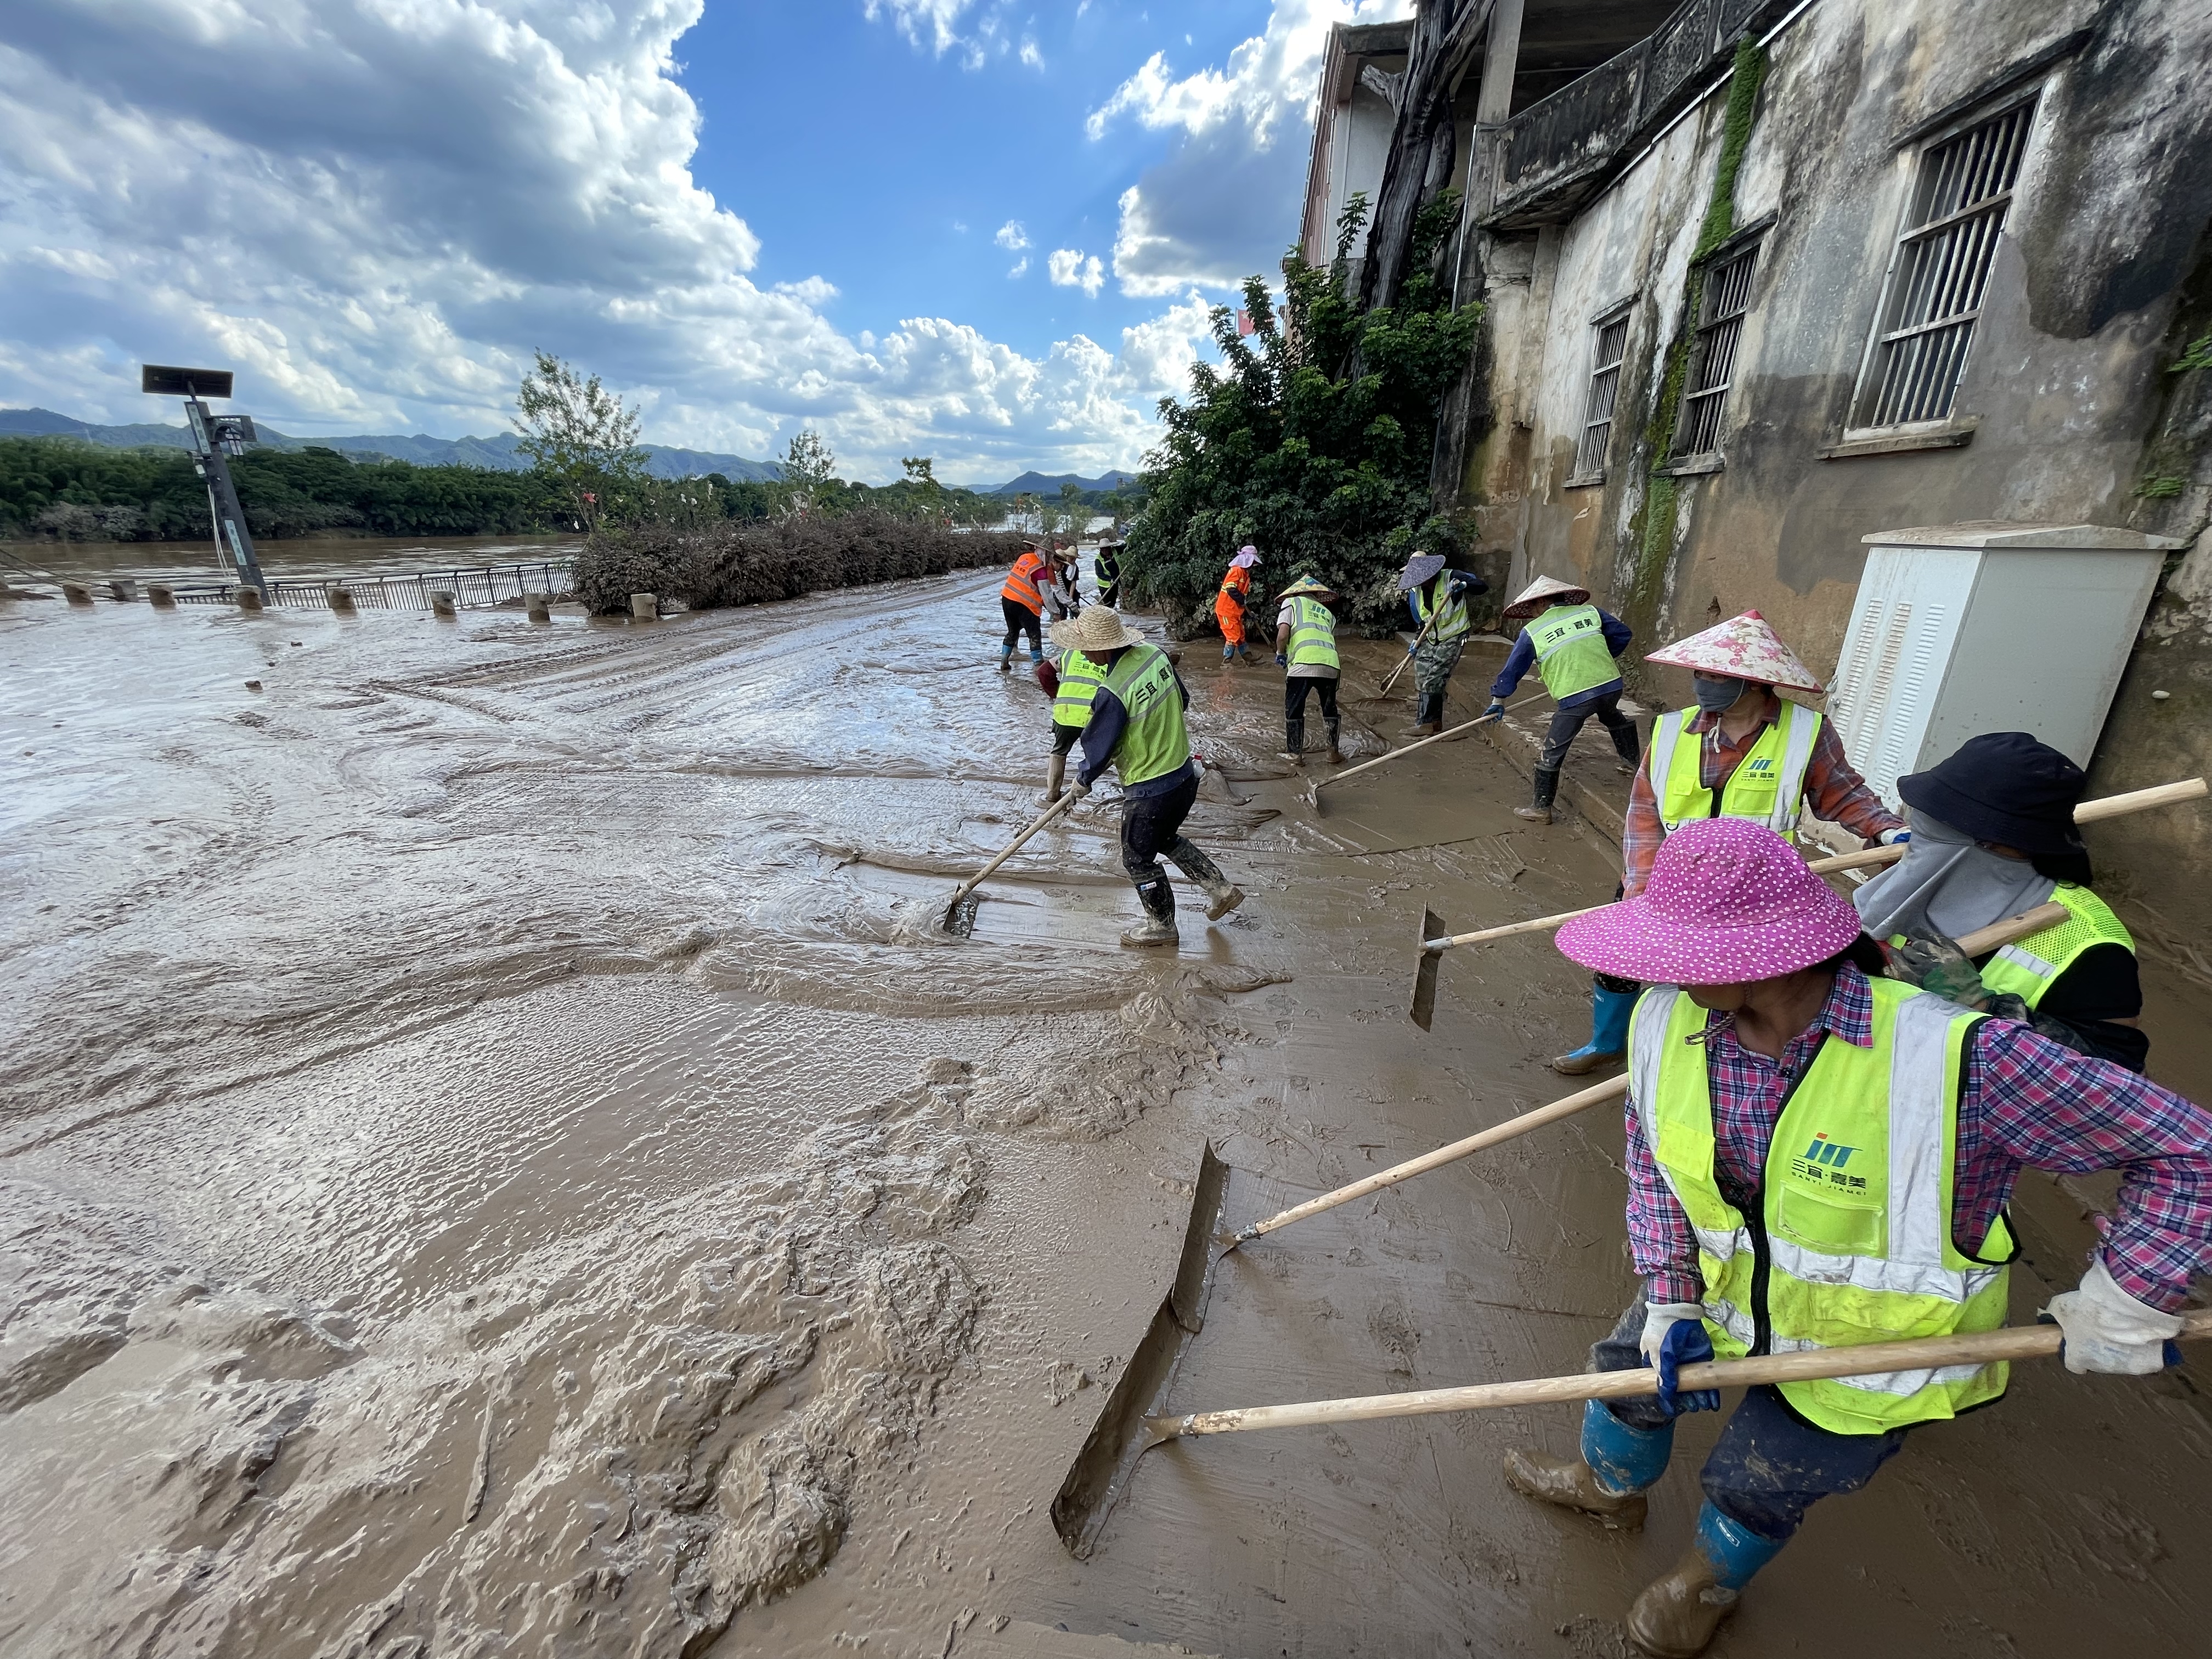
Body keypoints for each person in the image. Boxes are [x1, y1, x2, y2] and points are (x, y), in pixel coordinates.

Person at [1503, 816, 2212, 1658]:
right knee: (1626, 1375)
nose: (1660, 970)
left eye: (1682, 951)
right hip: (1720, 1294)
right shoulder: (1668, 1021)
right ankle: (1607, 1487)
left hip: (1873, 1347)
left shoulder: (1965, 1060)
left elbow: (2185, 1148)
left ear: (1770, 957)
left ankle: (1707, 1582)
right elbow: (1656, 1161)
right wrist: (1668, 1291)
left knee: (1760, 1480)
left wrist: (2128, 1295)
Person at [1553, 608, 1905, 1077]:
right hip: (1672, 881)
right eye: (1699, 673)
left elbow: (1843, 794)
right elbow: (1644, 812)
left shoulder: (1806, 734)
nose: (1703, 684)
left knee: (1734, 982)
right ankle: (1609, 1042)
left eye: (1715, 675)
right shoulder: (1673, 730)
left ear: (1756, 681)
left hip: (1753, 893)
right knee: (1623, 963)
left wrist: (1886, 829)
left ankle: (1718, 1061)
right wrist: (1641, 884)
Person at [1855, 731, 2145, 1071]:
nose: (1921, 847)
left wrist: (1983, 1007)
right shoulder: (1914, 893)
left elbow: (2119, 1077)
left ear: (2002, 844)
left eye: (1938, 833)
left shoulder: (2092, 947)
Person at [1056, 606, 1246, 946]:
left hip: (1150, 788)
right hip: (1185, 775)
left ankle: (1161, 927)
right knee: (1164, 838)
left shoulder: (1112, 691)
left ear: (1103, 646)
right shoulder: (1155, 657)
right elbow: (1182, 700)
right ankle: (1221, 889)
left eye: (1084, 645)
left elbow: (1099, 749)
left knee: (1137, 858)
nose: (1081, 652)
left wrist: (1081, 782)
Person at [1486, 576, 1638, 822]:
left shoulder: (1533, 632)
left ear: (1543, 601)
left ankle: (1540, 808)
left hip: (1575, 696)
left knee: (1553, 750)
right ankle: (1632, 763)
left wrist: (1498, 700)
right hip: (1611, 685)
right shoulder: (1590, 613)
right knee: (1610, 713)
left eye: (1533, 607)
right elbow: (1623, 634)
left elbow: (1513, 669)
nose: (1532, 613)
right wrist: (1599, 660)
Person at [1397, 552, 1488, 737]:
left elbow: (1481, 587)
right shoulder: (1418, 592)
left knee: (1435, 678)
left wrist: (1463, 585)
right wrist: (1416, 642)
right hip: (1431, 638)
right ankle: (1431, 722)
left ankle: (1427, 724)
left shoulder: (1451, 577)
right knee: (1422, 677)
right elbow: (1423, 621)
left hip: (1453, 636)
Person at [1272, 574, 1344, 768]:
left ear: (1298, 591)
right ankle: (1333, 753)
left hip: (1303, 664)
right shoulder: (1327, 613)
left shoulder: (1292, 602)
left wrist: (1281, 653)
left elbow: (1283, 634)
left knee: (1294, 709)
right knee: (1330, 709)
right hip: (1331, 664)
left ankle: (1295, 753)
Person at [1043, 636, 1104, 804]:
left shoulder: (1068, 654)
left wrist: (1057, 696)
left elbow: (1044, 672)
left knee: (1059, 751)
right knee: (1104, 753)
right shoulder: (1109, 656)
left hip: (1066, 713)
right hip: (1094, 715)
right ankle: (1081, 788)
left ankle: (1052, 794)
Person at [998, 537, 1050, 672]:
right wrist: (1055, 612)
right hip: (1025, 605)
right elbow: (1047, 595)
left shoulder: (1024, 558)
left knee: (1013, 631)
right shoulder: (1040, 569)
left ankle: (1004, 660)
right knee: (1034, 634)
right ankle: (1038, 665)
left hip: (1007, 599)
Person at [1215, 545, 1261, 664]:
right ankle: (1226, 663)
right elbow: (1231, 589)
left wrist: (1245, 608)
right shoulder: (1237, 570)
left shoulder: (1245, 575)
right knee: (1232, 636)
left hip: (1235, 611)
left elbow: (1241, 597)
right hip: (1226, 610)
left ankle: (1248, 658)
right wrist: (1241, 599)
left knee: (1240, 635)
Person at [1043, 541, 1082, 622]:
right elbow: (1056, 591)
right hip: (1058, 596)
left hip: (1068, 595)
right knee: (1060, 615)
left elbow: (1073, 583)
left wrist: (1070, 600)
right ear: (1054, 562)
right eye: (1061, 565)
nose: (1062, 568)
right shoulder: (1049, 571)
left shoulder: (1075, 568)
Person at [1094, 537, 1124, 608]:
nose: (1105, 550)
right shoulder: (1099, 560)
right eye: (1103, 549)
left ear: (1110, 548)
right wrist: (1110, 579)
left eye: (1107, 548)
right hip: (1105, 585)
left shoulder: (1114, 551)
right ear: (1101, 549)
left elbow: (1124, 547)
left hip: (1116, 581)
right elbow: (1099, 574)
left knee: (1113, 601)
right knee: (1107, 604)